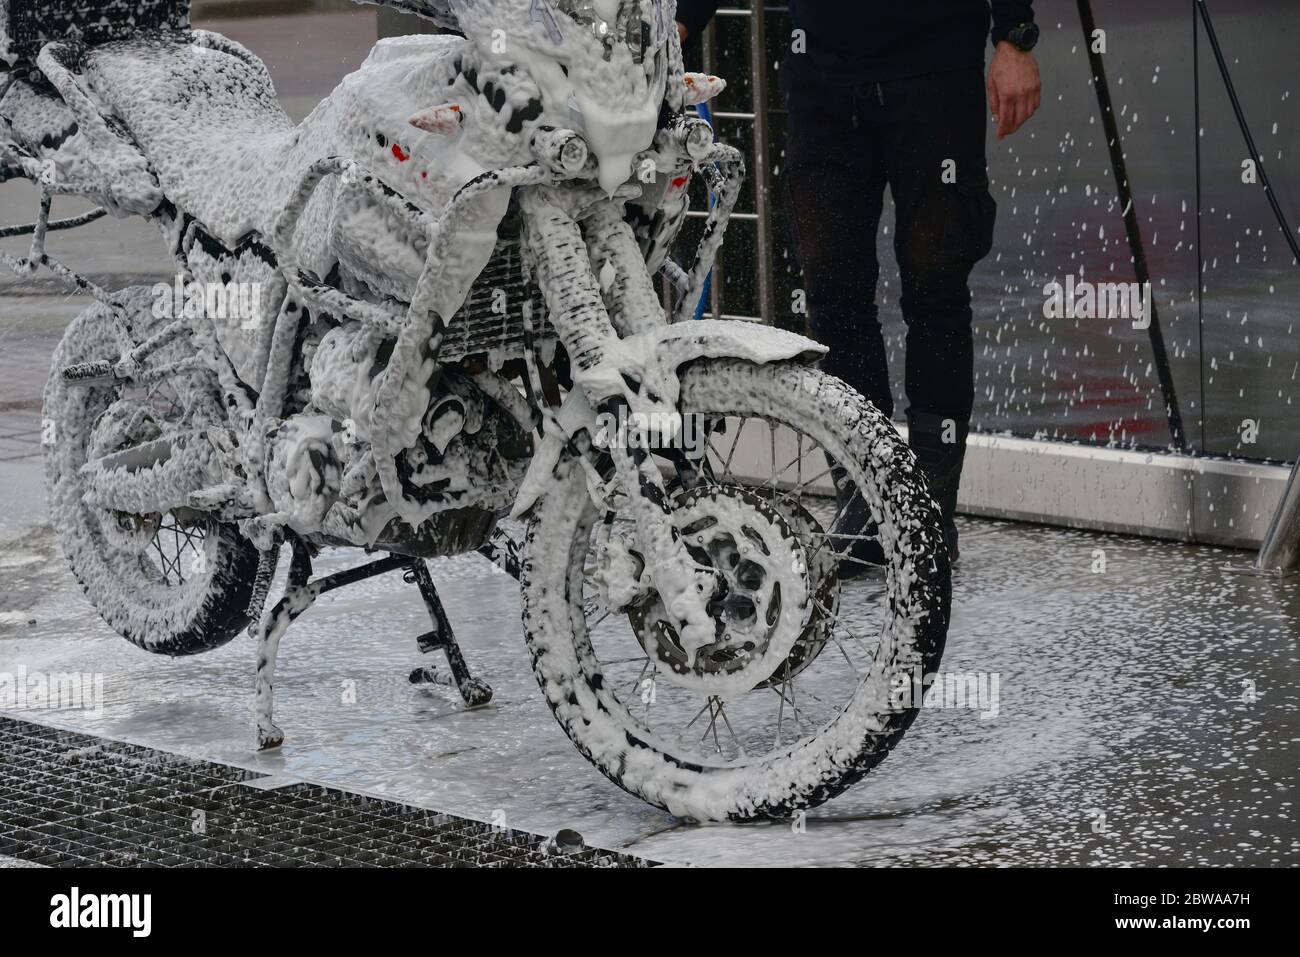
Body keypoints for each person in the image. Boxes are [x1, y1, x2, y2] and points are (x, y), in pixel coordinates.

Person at [675, 1, 1041, 571]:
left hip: (935, 65)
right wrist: (681, 20)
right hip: (822, 71)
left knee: (936, 292)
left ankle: (927, 520)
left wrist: (1015, 37)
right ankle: (869, 511)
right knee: (834, 293)